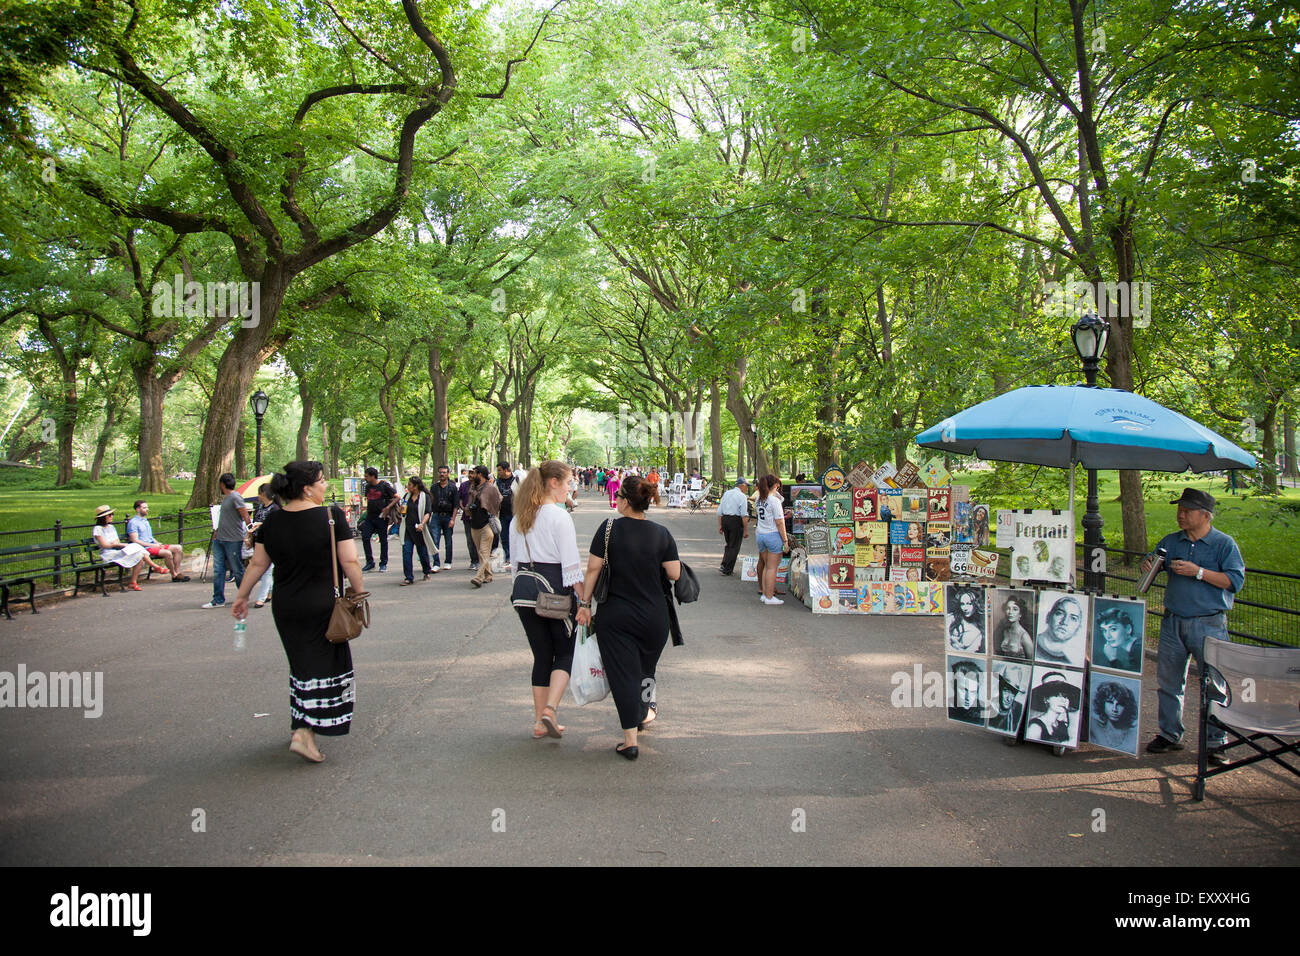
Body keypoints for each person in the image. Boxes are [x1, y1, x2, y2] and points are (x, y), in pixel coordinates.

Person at [232, 461, 364, 763]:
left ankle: (302, 725)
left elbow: (257, 564)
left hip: (286, 606)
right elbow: (350, 562)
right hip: (323, 605)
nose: (325, 485)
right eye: (321, 481)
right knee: (325, 666)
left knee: (302, 666)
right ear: (306, 488)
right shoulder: (331, 517)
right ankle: (305, 732)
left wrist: (241, 596)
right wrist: (358, 592)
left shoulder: (272, 523)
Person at [575, 476, 680, 760]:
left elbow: (593, 570)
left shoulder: (609, 528)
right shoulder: (661, 534)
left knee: (623, 675)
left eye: (618, 496)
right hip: (654, 617)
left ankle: (630, 741)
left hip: (616, 616)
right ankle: (644, 713)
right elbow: (674, 573)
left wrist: (584, 604)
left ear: (624, 500)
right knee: (646, 670)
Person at [1140, 488, 1244, 762]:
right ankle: (1169, 734)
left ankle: (1216, 742)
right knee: (1169, 681)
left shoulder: (1224, 544)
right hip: (1173, 622)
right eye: (1179, 510)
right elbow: (1152, 559)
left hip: (1208, 624)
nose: (1180, 515)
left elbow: (1235, 582)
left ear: (1205, 516)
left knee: (1214, 684)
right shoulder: (1172, 541)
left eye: (1187, 511)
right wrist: (1148, 563)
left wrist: (1198, 572)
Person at [509, 460, 583, 740]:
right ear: (553, 482)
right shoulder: (558, 516)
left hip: (524, 592)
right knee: (565, 651)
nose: (570, 488)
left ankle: (539, 722)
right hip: (554, 593)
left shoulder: (519, 517)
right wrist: (584, 599)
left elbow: (514, 562)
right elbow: (570, 565)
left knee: (541, 656)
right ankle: (550, 710)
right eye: (567, 483)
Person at [202, 473, 250, 609]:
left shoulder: (235, 497)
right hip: (221, 538)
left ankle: (243, 597)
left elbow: (244, 514)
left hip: (233, 539)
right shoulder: (227, 498)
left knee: (237, 569)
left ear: (222, 484)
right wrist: (216, 533)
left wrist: (249, 531)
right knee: (218, 569)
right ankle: (218, 599)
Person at [93, 505, 166, 591]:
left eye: (112, 514)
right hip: (108, 554)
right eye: (110, 515)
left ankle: (133, 582)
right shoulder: (98, 529)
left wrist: (119, 544)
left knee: (139, 554)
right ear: (103, 517)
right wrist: (117, 544)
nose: (112, 516)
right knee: (139, 552)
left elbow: (117, 542)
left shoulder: (111, 527)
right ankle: (155, 567)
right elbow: (105, 545)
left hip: (118, 550)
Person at [126, 499, 190, 581]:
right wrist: (153, 545)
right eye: (144, 508)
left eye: (147, 507)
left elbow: (150, 537)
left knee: (178, 548)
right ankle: (174, 575)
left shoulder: (145, 521)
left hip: (153, 545)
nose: (147, 509)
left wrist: (157, 543)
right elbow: (135, 540)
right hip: (145, 548)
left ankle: (177, 573)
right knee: (167, 553)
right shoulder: (133, 523)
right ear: (137, 509)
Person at [753, 474, 789, 606]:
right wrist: (785, 540)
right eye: (778, 485)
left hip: (761, 534)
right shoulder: (774, 501)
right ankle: (769, 596)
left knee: (766, 566)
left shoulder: (758, 499)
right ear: (775, 485)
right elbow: (780, 522)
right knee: (772, 568)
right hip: (773, 535)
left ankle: (764, 594)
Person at [467, 465, 502, 588]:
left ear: (480, 474)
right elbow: (469, 503)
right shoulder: (473, 487)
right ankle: (488, 575)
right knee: (480, 552)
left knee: (483, 552)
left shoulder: (490, 488)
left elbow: (499, 500)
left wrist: (490, 508)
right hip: (474, 523)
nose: (471, 475)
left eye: (474, 473)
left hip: (486, 524)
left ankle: (478, 577)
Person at [398, 476, 435, 585]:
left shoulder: (425, 497)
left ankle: (426, 570)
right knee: (406, 552)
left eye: (410, 485)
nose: (408, 487)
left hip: (419, 529)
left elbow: (428, 512)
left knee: (422, 552)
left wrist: (422, 524)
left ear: (416, 486)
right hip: (408, 529)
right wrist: (401, 509)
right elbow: (403, 511)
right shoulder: (407, 496)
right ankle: (408, 577)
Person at [358, 467, 396, 573]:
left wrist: (387, 508)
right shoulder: (368, 486)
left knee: (383, 540)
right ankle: (370, 562)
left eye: (366, 476)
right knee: (365, 537)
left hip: (381, 517)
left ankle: (383, 563)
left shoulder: (384, 486)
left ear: (372, 476)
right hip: (370, 517)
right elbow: (368, 499)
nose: (365, 478)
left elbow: (397, 497)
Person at [1025, 671, 1080, 744]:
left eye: (1065, 696)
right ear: (1046, 699)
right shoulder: (1035, 727)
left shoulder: (1062, 725)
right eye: (1056, 695)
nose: (1063, 700)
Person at [247, 484, 278, 607]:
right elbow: (255, 522)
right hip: (259, 541)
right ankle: (269, 592)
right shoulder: (259, 507)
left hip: (270, 542)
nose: (258, 496)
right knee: (266, 570)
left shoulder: (275, 509)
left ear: (264, 494)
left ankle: (262, 597)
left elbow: (275, 526)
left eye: (259, 493)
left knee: (267, 570)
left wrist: (261, 525)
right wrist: (250, 536)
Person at [1090, 679, 1139, 752]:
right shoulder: (1093, 726)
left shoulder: (1133, 735)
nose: (1114, 709)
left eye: (1120, 704)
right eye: (1110, 702)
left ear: (1127, 707)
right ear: (1102, 703)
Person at [1035, 595, 1085, 666]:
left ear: (1078, 627)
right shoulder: (1030, 642)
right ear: (1049, 616)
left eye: (1073, 618)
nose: (1064, 622)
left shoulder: (1069, 663)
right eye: (1060, 613)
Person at [716, 477, 750, 575]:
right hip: (736, 520)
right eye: (746, 486)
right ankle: (727, 568)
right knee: (734, 545)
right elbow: (744, 514)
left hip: (725, 519)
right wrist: (746, 530)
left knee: (729, 543)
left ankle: (724, 564)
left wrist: (720, 525)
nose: (747, 488)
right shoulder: (742, 496)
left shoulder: (726, 493)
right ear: (742, 485)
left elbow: (719, 511)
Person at [429, 465, 459, 570]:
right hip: (436, 516)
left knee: (448, 541)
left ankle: (448, 561)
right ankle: (436, 563)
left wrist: (453, 519)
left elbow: (456, 505)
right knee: (435, 540)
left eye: (444, 472)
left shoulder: (452, 487)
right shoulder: (433, 487)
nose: (442, 474)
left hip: (448, 516)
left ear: (448, 474)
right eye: (440, 472)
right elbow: (430, 502)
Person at [1094, 606, 1141, 671]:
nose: (1108, 636)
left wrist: (1112, 659)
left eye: (1113, 629)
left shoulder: (1138, 649)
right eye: (1104, 630)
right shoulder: (1135, 647)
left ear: (1128, 629)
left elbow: (1127, 678)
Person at [994, 595, 1034, 660]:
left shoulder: (1024, 636)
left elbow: (1031, 661)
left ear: (1020, 614)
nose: (1010, 612)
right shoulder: (1005, 631)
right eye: (1008, 608)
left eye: (1015, 609)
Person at [987, 669, 1026, 734]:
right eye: (1006, 691)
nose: (1009, 698)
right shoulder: (988, 707)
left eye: (1013, 693)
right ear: (999, 688)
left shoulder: (1018, 708)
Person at [946, 587, 985, 652]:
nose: (965, 608)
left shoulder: (979, 630)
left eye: (969, 604)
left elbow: (972, 650)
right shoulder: (951, 618)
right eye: (962, 604)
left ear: (976, 604)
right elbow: (945, 642)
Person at [948, 659, 984, 724]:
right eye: (963, 690)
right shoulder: (946, 707)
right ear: (953, 686)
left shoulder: (983, 714)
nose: (967, 698)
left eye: (973, 692)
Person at [495, 462, 517, 563]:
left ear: (506, 470)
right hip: (502, 513)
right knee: (504, 536)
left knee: (515, 536)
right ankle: (507, 556)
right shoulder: (497, 482)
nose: (498, 472)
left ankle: (515, 556)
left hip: (515, 513)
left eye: (500, 470)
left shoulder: (516, 480)